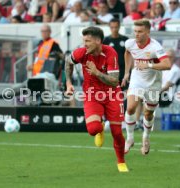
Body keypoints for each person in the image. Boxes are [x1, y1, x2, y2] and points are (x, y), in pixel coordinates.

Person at [65, 26, 128, 172]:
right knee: (93, 130)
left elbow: (114, 81)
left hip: (112, 94)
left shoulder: (110, 53)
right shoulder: (81, 53)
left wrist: (96, 72)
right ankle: (100, 128)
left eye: (88, 41)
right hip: (92, 95)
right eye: (84, 41)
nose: (85, 44)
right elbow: (68, 62)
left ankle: (121, 162)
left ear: (98, 41)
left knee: (117, 133)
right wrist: (68, 83)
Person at [121, 19, 171, 155]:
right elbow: (127, 53)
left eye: (140, 32)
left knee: (148, 113)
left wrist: (148, 65)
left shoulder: (155, 47)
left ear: (148, 32)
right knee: (130, 108)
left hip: (154, 82)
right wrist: (126, 73)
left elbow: (167, 64)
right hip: (137, 79)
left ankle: (146, 137)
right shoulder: (130, 43)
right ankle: (130, 138)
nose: (136, 34)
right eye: (135, 31)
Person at [103, 18, 128, 90]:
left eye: (116, 27)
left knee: (124, 90)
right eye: (112, 27)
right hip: (110, 70)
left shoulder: (125, 39)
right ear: (109, 27)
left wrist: (129, 71)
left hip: (123, 69)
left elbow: (130, 56)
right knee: (112, 90)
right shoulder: (105, 40)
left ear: (119, 26)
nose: (114, 29)